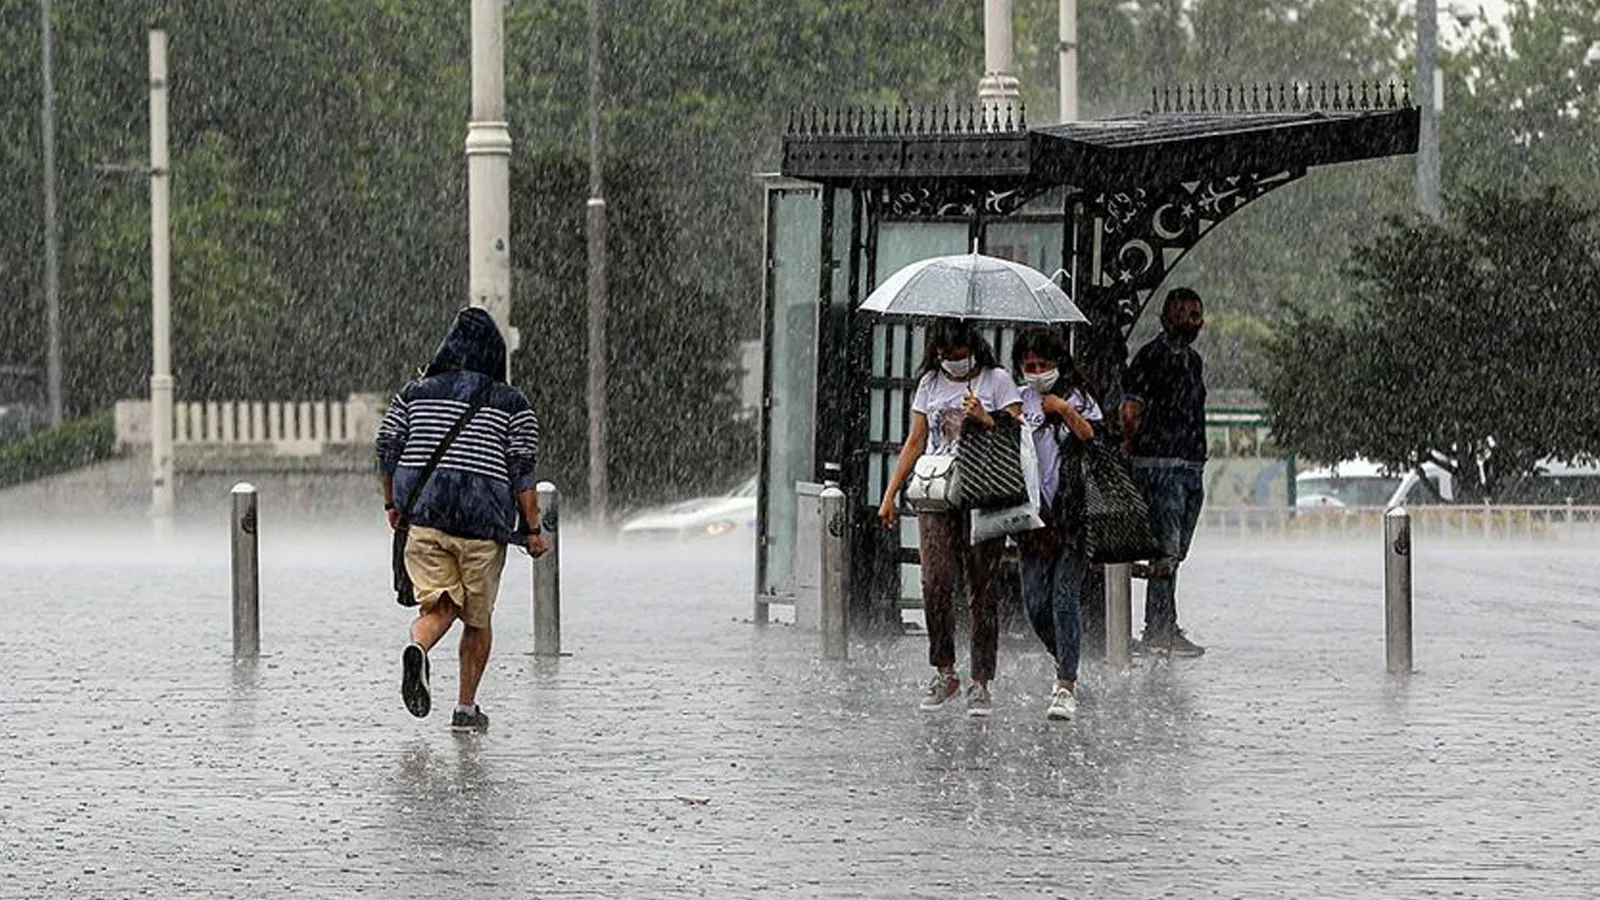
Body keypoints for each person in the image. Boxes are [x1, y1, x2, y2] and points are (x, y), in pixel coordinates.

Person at [376, 307, 548, 733]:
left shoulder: (414, 393)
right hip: (482, 527)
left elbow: (386, 448)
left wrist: (392, 504)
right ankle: (466, 710)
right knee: (477, 618)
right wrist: (532, 529)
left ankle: (418, 646)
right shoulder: (512, 403)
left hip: (426, 518)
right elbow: (521, 471)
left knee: (440, 604)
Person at [878, 318, 1022, 717]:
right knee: (935, 580)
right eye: (943, 354)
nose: (951, 361)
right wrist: (891, 492)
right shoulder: (929, 384)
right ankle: (945, 669)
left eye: (957, 354)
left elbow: (1016, 435)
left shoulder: (997, 381)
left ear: (972, 347)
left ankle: (981, 679)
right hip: (937, 492)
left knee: (981, 586)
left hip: (982, 493)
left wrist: (985, 417)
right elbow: (916, 439)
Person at [1012, 326, 1101, 720]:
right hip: (1033, 518)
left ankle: (1066, 683)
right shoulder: (1018, 399)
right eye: (1028, 365)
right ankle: (1065, 656)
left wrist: (1063, 409)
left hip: (1073, 514)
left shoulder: (1077, 396)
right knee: (1035, 603)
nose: (1035, 371)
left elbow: (1093, 436)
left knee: (1064, 597)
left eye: (1043, 364)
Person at [1120, 287, 1207, 657]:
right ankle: (1159, 627)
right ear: (1165, 317)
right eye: (1183, 313)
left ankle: (1163, 622)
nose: (1190, 321)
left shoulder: (1194, 361)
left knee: (1177, 550)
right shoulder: (1149, 359)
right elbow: (1130, 409)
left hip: (1190, 465)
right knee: (1165, 550)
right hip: (1159, 466)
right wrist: (1132, 446)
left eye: (1196, 314)